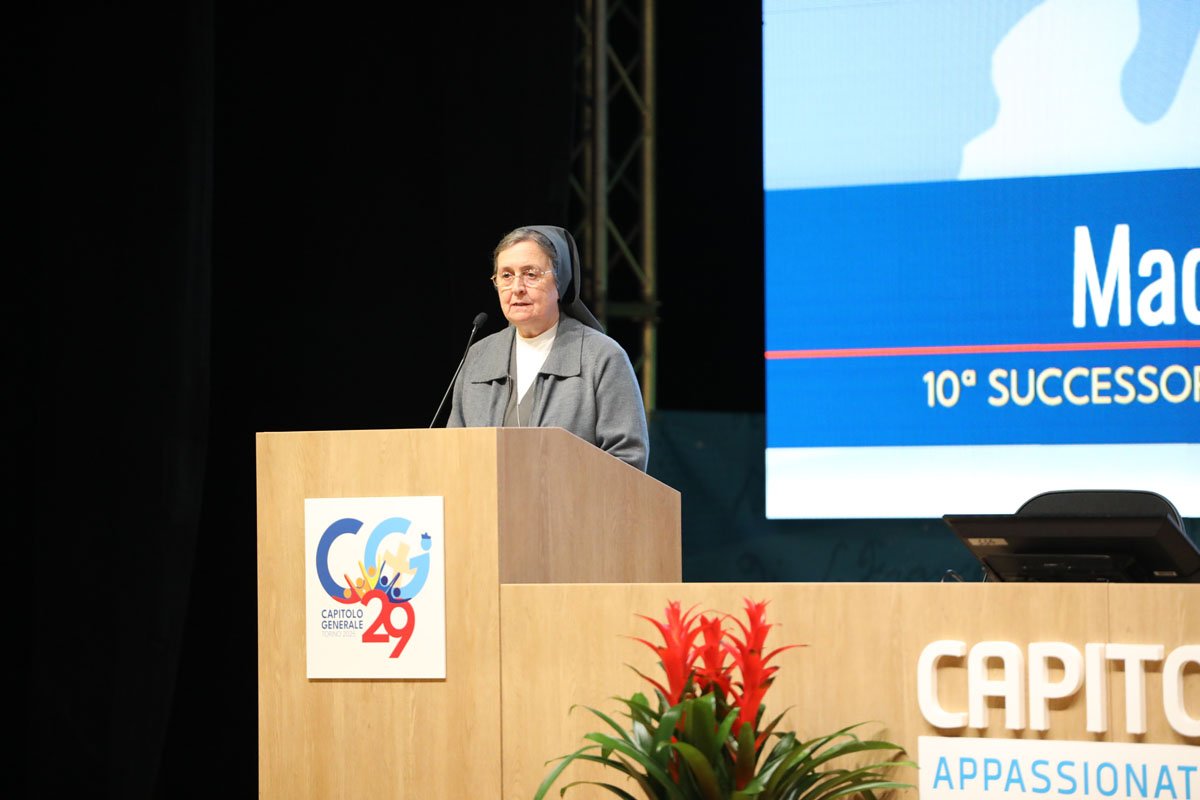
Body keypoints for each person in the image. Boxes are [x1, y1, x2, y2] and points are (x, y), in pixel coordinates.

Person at [447, 225, 649, 471]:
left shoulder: (601, 357)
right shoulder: (479, 357)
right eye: (506, 275)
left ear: (559, 282)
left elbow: (627, 458)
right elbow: (453, 453)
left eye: (531, 274)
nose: (517, 287)